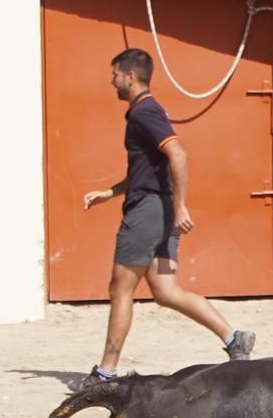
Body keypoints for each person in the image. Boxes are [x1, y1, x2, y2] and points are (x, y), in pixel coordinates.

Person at [74, 48, 254, 390]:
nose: (111, 81)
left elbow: (178, 153)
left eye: (114, 74)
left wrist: (182, 205)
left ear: (130, 76)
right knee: (166, 290)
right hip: (161, 210)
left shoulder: (145, 112)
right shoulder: (144, 113)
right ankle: (234, 339)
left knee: (120, 288)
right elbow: (149, 170)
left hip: (149, 213)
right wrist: (109, 193)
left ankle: (105, 373)